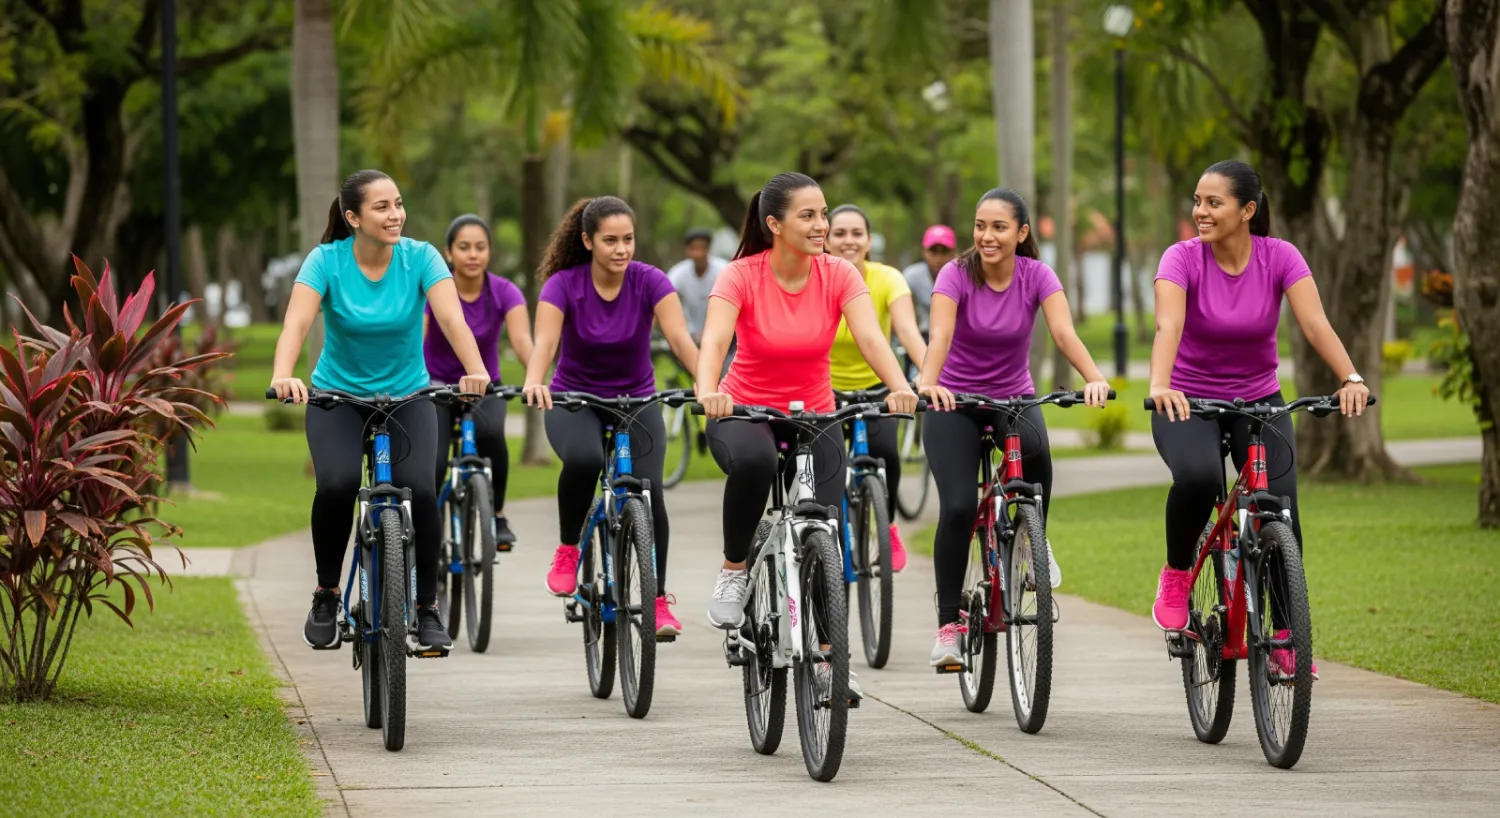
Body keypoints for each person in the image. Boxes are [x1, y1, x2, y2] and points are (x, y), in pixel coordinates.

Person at [696, 171, 919, 700]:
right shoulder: (740, 275)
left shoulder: (838, 274)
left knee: (824, 528)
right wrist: (708, 390)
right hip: (743, 410)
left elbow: (871, 338)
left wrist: (900, 387)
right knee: (755, 464)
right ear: (775, 224)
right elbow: (715, 340)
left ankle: (826, 658)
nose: (822, 225)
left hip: (815, 415)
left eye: (824, 214)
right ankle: (734, 569)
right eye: (809, 216)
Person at [1146, 160, 1369, 680]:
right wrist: (1160, 385)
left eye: (1214, 202)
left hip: (1259, 400)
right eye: (1197, 201)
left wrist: (1351, 377)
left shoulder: (1280, 256)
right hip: (1188, 402)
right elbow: (1167, 325)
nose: (1201, 211)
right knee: (1199, 479)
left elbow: (1315, 323)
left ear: (1248, 210)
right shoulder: (1181, 258)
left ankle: (1286, 639)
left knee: (1280, 512)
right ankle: (1177, 572)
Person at [269, 169, 491, 653]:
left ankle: (427, 608)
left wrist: (475, 370)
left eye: (399, 204)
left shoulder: (422, 257)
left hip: (408, 396)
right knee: (337, 485)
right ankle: (327, 594)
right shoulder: (326, 261)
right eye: (382, 207)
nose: (396, 215)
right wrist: (284, 373)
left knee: (422, 491)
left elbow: (451, 319)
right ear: (353, 218)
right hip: (338, 398)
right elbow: (297, 322)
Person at [917, 188, 1110, 669]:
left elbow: (1063, 333)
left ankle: (1033, 540)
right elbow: (940, 334)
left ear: (1022, 233)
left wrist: (1094, 377)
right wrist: (928, 384)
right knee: (958, 507)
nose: (987, 236)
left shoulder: (1037, 275)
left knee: (1037, 455)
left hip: (1013, 397)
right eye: (980, 226)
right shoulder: (955, 274)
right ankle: (948, 626)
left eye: (999, 227)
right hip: (954, 401)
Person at [523, 196, 699, 638]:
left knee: (650, 492)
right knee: (584, 460)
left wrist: (708, 381)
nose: (621, 249)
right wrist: (534, 380)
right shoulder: (563, 285)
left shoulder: (651, 281)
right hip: (574, 400)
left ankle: (656, 600)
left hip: (636, 399)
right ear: (588, 241)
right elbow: (545, 343)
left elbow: (679, 338)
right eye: (610, 241)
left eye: (628, 239)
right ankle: (568, 549)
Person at [827, 204, 929, 572]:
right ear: (826, 239)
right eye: (840, 233)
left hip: (877, 386)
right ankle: (826, 537)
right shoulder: (816, 276)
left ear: (869, 241)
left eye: (857, 234)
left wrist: (929, 372)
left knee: (886, 452)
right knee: (828, 467)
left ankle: (888, 527)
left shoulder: (888, 279)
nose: (849, 241)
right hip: (824, 389)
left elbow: (907, 330)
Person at [424, 214, 534, 547]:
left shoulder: (505, 291)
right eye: (464, 247)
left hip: (487, 387)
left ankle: (497, 514)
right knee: (434, 459)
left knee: (492, 436)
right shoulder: (434, 289)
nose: (473, 254)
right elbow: (417, 338)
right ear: (449, 252)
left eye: (480, 247)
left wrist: (538, 379)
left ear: (489, 252)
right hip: (436, 387)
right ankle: (426, 525)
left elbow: (522, 342)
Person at [666, 227, 728, 343]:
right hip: (690, 334)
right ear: (687, 250)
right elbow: (664, 297)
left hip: (722, 332)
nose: (698, 254)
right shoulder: (678, 272)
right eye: (694, 248)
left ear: (708, 249)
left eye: (702, 248)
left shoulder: (723, 269)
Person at [902, 224, 957, 336]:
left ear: (953, 253)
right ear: (924, 252)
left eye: (944, 252)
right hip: (923, 333)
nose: (938, 258)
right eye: (933, 251)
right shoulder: (912, 276)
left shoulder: (963, 277)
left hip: (955, 335)